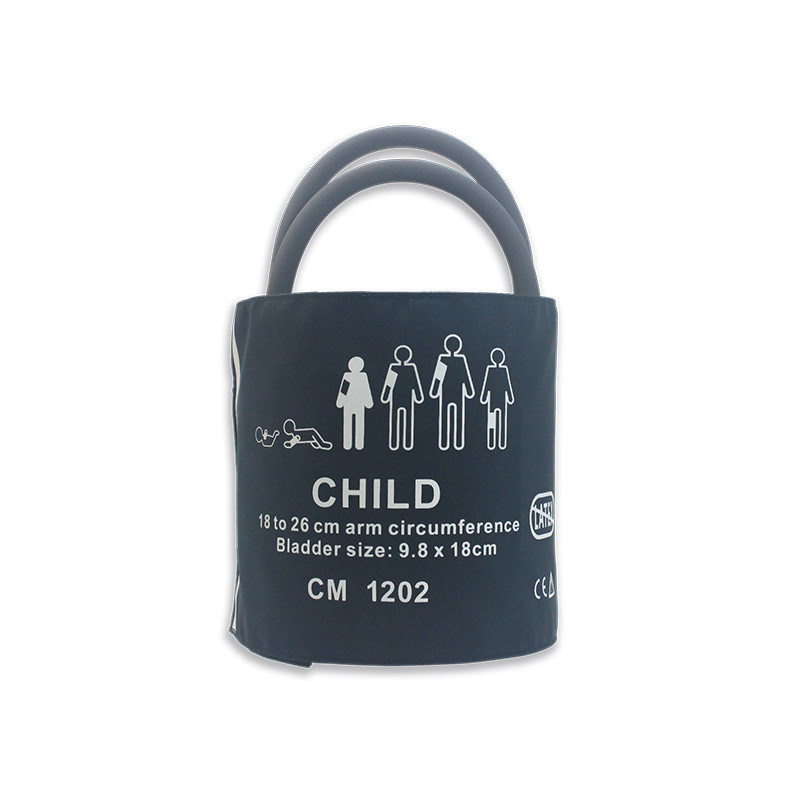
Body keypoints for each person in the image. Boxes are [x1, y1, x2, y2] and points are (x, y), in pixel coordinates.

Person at [429, 334, 474, 451]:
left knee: (448, 416)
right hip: (455, 392)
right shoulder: (454, 360)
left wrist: (435, 390)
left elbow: (439, 377)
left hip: (448, 392)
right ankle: (454, 442)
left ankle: (446, 442)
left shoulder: (449, 360)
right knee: (455, 416)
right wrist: (469, 391)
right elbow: (464, 377)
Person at [381, 345, 424, 451]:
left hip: (397, 397)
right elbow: (415, 384)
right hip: (406, 398)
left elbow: (389, 385)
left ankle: (395, 443)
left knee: (396, 420)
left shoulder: (397, 368)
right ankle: (406, 443)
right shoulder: (408, 368)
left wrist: (386, 396)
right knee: (407, 420)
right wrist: (418, 396)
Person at [480, 348, 514, 450]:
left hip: (495, 399)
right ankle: (496, 442)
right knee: (499, 419)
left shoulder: (500, 370)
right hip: (500, 399)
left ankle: (494, 442)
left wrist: (484, 397)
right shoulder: (494, 370)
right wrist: (509, 397)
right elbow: (489, 384)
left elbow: (505, 384)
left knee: (495, 420)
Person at [336, 356, 373, 450]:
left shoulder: (361, 376)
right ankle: (353, 444)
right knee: (354, 423)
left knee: (355, 423)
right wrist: (368, 402)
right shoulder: (349, 376)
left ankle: (353, 444)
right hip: (353, 404)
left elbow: (365, 389)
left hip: (355, 404)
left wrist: (340, 401)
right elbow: (344, 390)